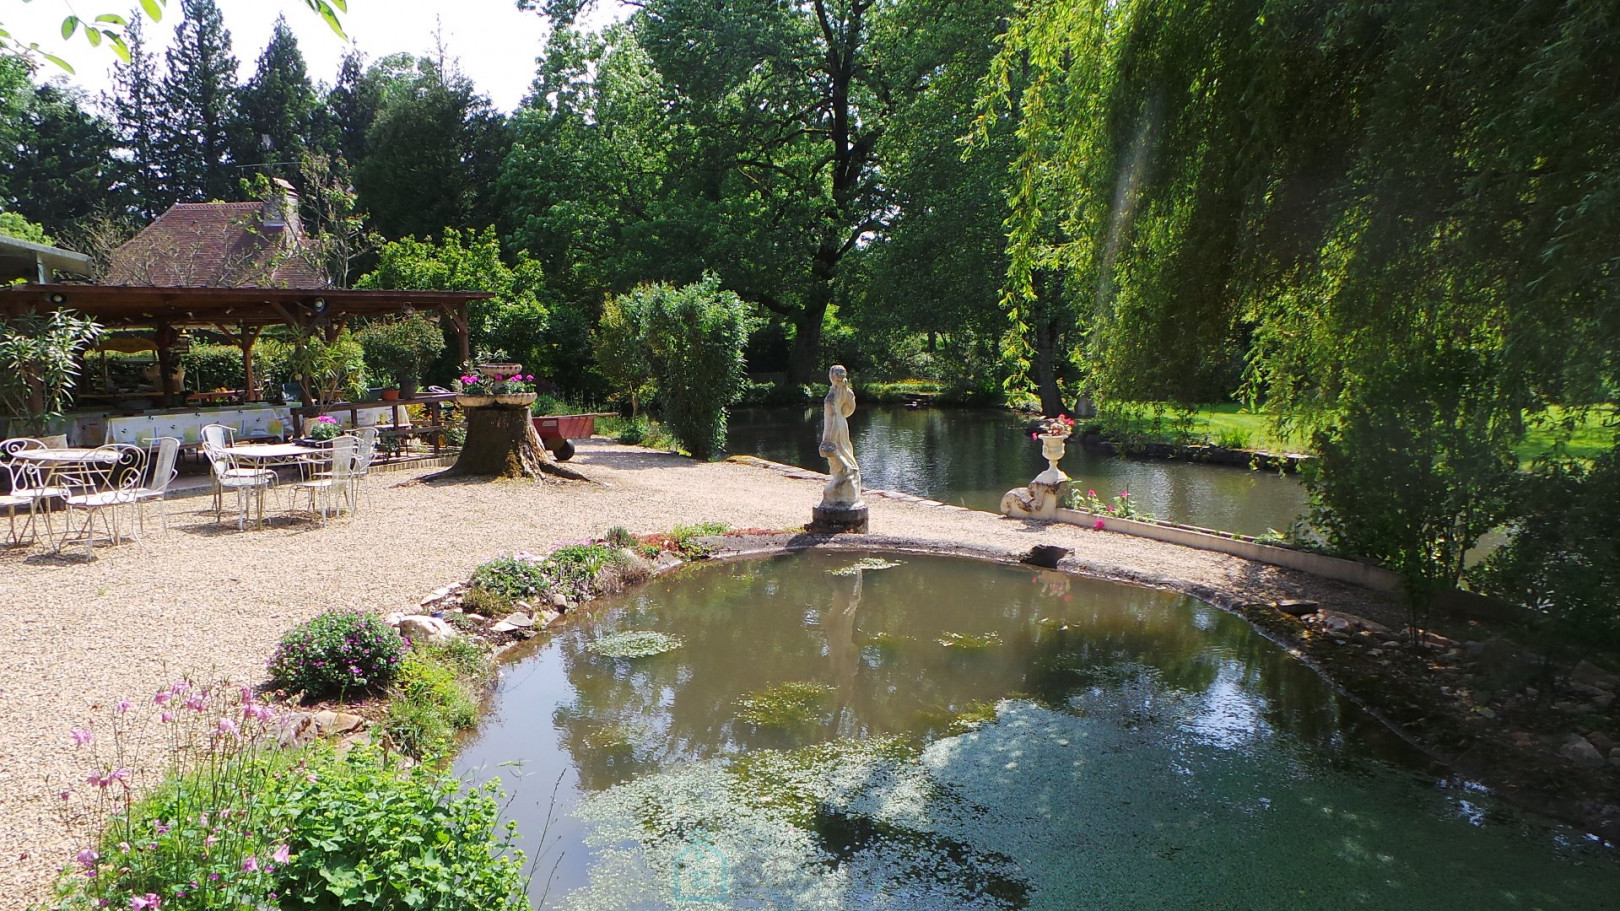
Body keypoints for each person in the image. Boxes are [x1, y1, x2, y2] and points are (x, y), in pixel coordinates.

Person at [818, 365, 861, 504]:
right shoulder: (844, 391)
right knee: (843, 448)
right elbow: (850, 408)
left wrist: (827, 436)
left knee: (830, 447)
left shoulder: (836, 393)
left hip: (835, 422)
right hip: (841, 422)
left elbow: (834, 413)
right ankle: (846, 471)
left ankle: (845, 471)